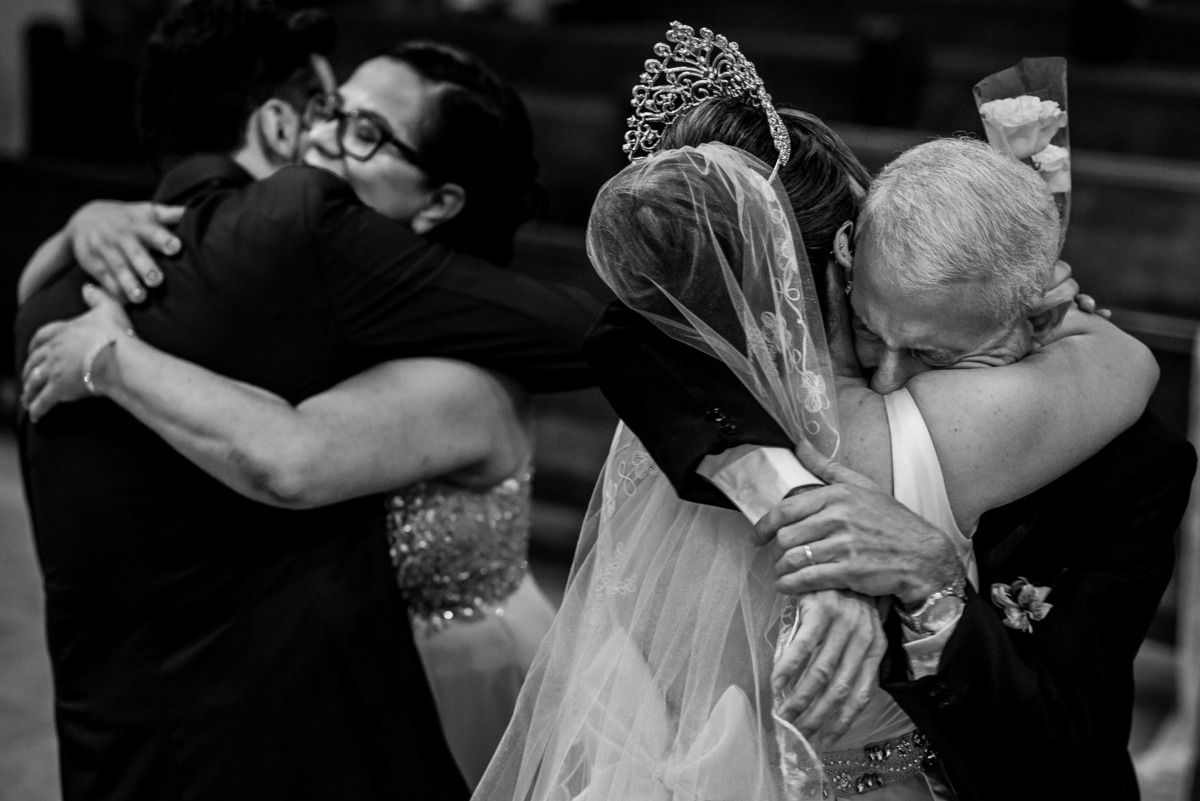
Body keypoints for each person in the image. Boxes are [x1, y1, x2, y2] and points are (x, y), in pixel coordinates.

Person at [474, 37, 1161, 796]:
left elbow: (622, 331)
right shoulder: (958, 426)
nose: (894, 372)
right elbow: (1132, 361)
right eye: (873, 330)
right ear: (846, 249)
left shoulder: (682, 386)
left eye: (930, 349)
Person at [12, 2, 600, 800]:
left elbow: (289, 456)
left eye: (364, 132)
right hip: (302, 688)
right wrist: (84, 222)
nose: (318, 142)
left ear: (439, 203)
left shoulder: (457, 373)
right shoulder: (293, 299)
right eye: (330, 112)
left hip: (450, 676)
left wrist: (114, 359)